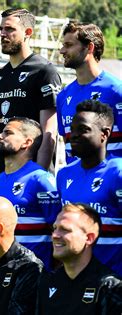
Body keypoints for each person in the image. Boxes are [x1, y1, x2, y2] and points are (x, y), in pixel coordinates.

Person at [0, 8, 62, 175]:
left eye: (9, 29)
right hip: (0, 175)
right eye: (1, 29)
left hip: (28, 175)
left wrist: (38, 177)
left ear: (27, 32)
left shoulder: (44, 71)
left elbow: (49, 133)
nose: (3, 34)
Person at [56, 100, 122, 275]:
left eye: (83, 129)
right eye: (72, 129)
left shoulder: (118, 172)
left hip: (113, 279)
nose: (73, 135)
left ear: (105, 134)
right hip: (74, 278)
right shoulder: (64, 175)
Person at [0, 117, 60, 267]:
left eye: (8, 133)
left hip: (34, 271)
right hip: (1, 269)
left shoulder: (42, 180)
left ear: (27, 142)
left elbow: (57, 229)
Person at [36, 203, 122, 314]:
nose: (55, 235)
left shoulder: (109, 287)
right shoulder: (46, 282)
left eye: (65, 229)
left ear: (89, 238)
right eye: (55, 228)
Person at [57, 22, 122, 161]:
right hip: (75, 181)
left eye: (68, 45)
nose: (62, 51)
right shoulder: (63, 96)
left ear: (89, 47)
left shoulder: (116, 91)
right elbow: (68, 147)